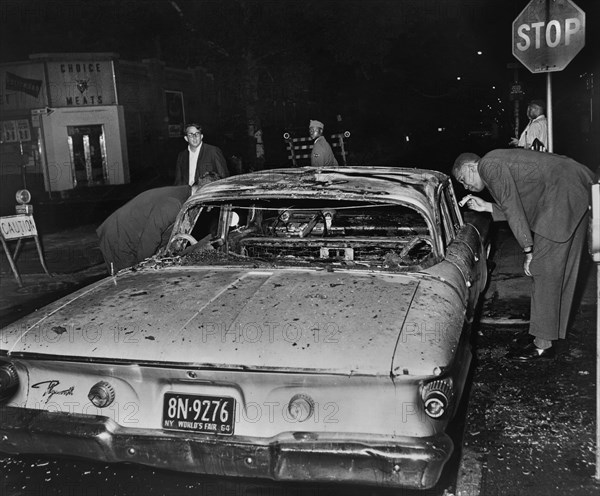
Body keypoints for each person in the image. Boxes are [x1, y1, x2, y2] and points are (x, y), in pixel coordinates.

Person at [453, 149, 594, 361]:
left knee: (543, 271)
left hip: (561, 195)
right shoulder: (498, 161)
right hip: (576, 186)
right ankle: (551, 336)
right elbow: (522, 202)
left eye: (464, 180)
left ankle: (542, 346)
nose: (465, 187)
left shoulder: (488, 166)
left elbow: (513, 208)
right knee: (562, 272)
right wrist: (488, 207)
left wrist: (529, 250)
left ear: (473, 167)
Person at [96, 185, 191, 273]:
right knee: (128, 281)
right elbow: (149, 240)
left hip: (135, 237)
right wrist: (142, 268)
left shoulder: (185, 196)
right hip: (120, 238)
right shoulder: (173, 205)